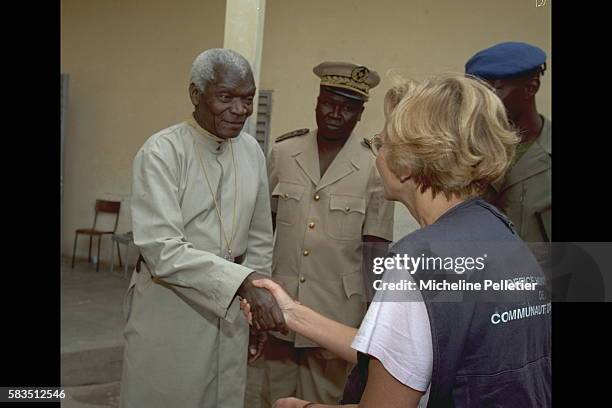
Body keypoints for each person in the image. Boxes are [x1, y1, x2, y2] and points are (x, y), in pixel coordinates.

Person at [244, 74, 551, 407]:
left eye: (383, 143)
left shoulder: (418, 261)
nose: (378, 155)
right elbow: (402, 350)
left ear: (406, 165)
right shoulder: (498, 233)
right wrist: (293, 313)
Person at [120, 48, 286, 408]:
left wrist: (257, 307)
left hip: (234, 312)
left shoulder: (251, 152)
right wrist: (242, 285)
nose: (240, 110)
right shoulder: (162, 152)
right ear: (197, 94)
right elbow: (163, 249)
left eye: (247, 99)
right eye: (226, 98)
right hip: (172, 307)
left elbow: (259, 238)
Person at [263, 62, 395, 406]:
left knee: (325, 399)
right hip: (281, 306)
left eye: (348, 107)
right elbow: (263, 230)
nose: (336, 113)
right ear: (317, 100)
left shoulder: (374, 165)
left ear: (360, 112)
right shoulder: (283, 153)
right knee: (272, 397)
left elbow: (376, 248)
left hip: (336, 315)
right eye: (329, 102)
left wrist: (372, 317)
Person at [466, 41, 551, 242]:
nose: (482, 104)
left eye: (494, 92)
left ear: (531, 87)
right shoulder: (467, 153)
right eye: (478, 94)